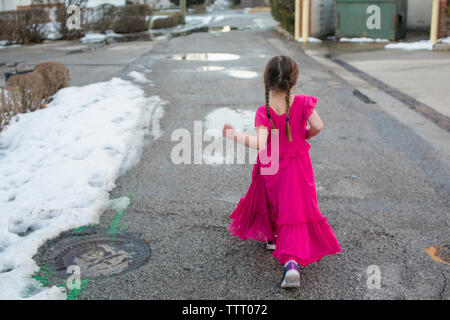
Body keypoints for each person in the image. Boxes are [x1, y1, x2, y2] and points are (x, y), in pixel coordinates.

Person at [222, 55, 341, 288]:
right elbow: (318, 126)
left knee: (269, 198)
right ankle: (291, 263)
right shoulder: (304, 103)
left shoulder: (264, 111)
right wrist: (305, 134)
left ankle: (275, 241)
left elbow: (260, 143)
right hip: (297, 164)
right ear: (294, 81)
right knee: (293, 209)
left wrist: (233, 135)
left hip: (270, 161)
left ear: (267, 82)